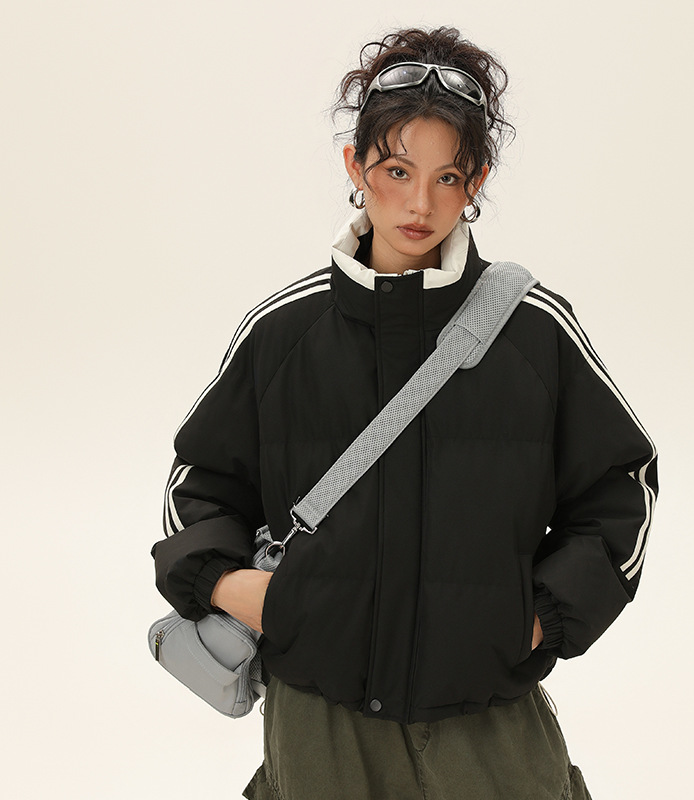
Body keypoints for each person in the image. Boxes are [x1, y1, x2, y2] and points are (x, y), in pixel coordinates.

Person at [151, 25, 659, 800]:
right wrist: (232, 586)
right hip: (320, 722)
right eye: (397, 170)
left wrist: (538, 619)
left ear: (476, 181)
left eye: (448, 177)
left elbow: (622, 489)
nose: (421, 204)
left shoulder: (534, 334)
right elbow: (198, 484)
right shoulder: (282, 334)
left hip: (486, 718)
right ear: (355, 166)